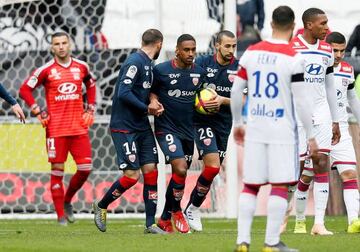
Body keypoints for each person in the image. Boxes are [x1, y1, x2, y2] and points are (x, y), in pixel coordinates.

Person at [232, 6, 318, 252]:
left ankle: (242, 242)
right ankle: (271, 243)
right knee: (280, 185)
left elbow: (237, 90)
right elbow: (302, 101)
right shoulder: (294, 57)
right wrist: (311, 136)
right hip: (282, 130)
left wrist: (238, 123)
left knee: (250, 185)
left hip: (255, 128)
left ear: (270, 23)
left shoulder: (251, 52)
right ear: (293, 27)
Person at [92, 29, 165, 234]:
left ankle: (150, 224)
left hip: (141, 125)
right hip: (124, 127)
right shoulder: (134, 62)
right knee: (132, 176)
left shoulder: (149, 65)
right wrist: (146, 108)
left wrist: (152, 101)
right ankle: (101, 206)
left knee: (151, 171)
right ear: (159, 44)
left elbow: (146, 90)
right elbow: (123, 93)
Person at [19, 32, 96, 225]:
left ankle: (68, 200)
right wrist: (37, 111)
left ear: (69, 45)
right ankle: (61, 217)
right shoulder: (46, 70)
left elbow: (91, 84)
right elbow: (24, 89)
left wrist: (91, 108)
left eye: (64, 43)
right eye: (57, 44)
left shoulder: (82, 67)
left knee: (86, 169)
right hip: (56, 130)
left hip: (78, 128)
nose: (61, 47)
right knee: (57, 171)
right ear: (52, 47)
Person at [288, 8, 341, 236]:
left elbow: (329, 85)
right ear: (309, 25)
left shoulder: (327, 49)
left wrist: (336, 119)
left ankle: (319, 223)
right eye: (323, 24)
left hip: (321, 114)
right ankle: (292, 217)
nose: (327, 28)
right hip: (298, 116)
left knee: (321, 163)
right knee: (297, 169)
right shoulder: (291, 49)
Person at [151, 34, 206, 233]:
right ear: (177, 50)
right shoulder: (161, 70)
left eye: (193, 50)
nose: (191, 54)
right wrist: (152, 100)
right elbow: (152, 91)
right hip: (166, 128)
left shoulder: (199, 73)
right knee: (181, 168)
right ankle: (176, 210)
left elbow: (203, 96)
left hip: (187, 130)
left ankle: (165, 219)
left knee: (178, 174)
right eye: (186, 50)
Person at [183, 30, 238, 232]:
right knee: (213, 166)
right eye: (227, 46)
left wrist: (223, 101)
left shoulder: (239, 68)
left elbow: (247, 100)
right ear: (217, 45)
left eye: (234, 46)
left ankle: (191, 207)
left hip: (224, 125)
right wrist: (198, 103)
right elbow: (188, 87)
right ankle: (188, 210)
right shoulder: (203, 64)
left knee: (212, 170)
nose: (231, 50)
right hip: (202, 122)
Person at [312, 32, 360, 233]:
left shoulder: (349, 70)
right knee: (305, 178)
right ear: (326, 48)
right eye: (335, 50)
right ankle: (306, 220)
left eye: (342, 50)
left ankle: (353, 222)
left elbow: (352, 99)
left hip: (341, 129)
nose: (339, 55)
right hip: (319, 127)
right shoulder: (314, 68)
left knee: (349, 174)